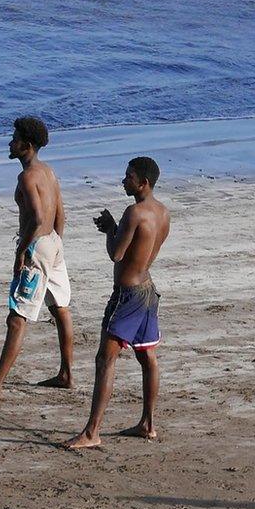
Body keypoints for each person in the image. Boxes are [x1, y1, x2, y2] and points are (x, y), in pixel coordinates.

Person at [0, 117, 74, 402]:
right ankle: (66, 373)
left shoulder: (27, 177)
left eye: (14, 138)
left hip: (37, 246)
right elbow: (60, 213)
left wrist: (22, 251)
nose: (9, 142)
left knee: (17, 316)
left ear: (26, 145)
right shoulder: (48, 172)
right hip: (54, 244)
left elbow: (37, 218)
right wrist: (56, 242)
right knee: (60, 307)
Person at [65, 157, 170, 449]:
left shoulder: (134, 212)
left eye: (129, 176)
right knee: (147, 357)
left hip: (128, 296)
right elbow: (145, 250)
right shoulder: (163, 212)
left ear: (143, 182)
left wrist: (111, 227)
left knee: (105, 359)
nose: (124, 180)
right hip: (148, 290)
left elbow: (117, 254)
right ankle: (148, 424)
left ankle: (91, 432)